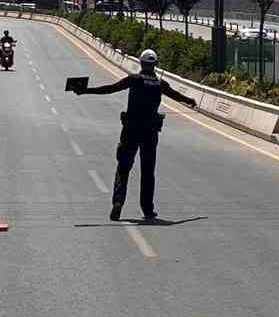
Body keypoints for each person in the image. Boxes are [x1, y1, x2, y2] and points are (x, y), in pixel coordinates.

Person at [72, 48, 195, 222]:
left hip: (131, 130)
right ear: (155, 65)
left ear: (141, 63)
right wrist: (190, 101)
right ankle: (148, 210)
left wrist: (85, 90)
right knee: (148, 171)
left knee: (123, 168)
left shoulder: (134, 80)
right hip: (150, 133)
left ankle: (118, 203)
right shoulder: (160, 84)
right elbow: (177, 96)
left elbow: (110, 89)